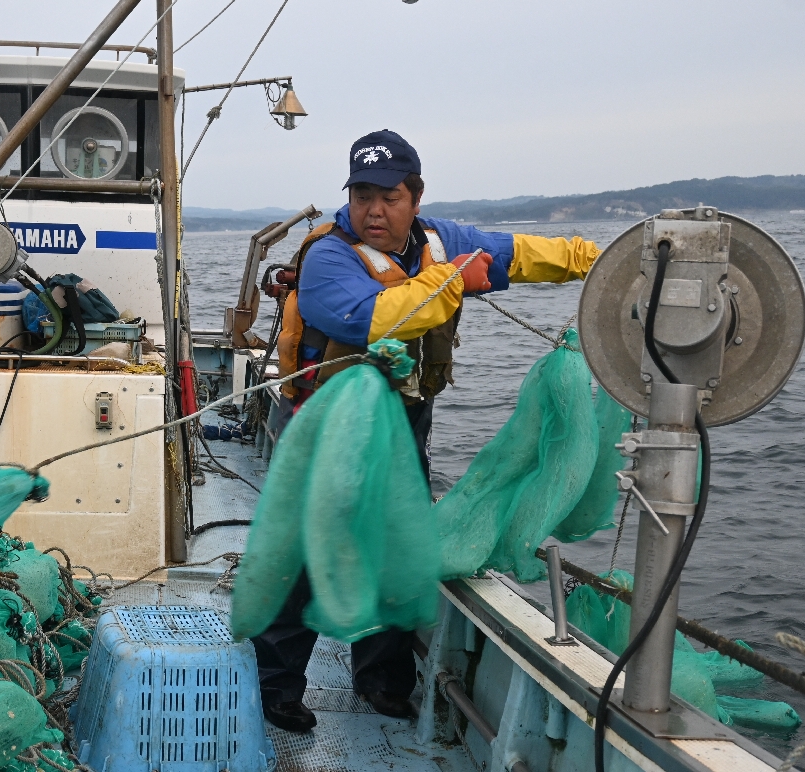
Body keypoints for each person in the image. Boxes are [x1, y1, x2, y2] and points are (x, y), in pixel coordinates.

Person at [255, 129, 602, 733]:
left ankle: (383, 680)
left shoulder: (442, 242)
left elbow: (521, 253)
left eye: (389, 197)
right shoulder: (328, 257)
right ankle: (276, 687)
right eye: (362, 196)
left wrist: (598, 261)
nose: (373, 211)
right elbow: (375, 318)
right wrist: (454, 281)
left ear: (415, 199)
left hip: (400, 419)